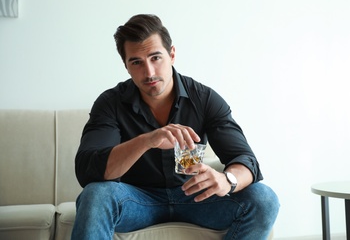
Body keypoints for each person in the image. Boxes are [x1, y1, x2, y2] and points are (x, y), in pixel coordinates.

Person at [71, 14, 279, 240]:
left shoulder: (205, 98)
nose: (149, 72)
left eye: (155, 57)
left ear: (171, 54)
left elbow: (246, 159)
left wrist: (226, 180)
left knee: (264, 198)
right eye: (137, 62)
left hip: (196, 198)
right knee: (95, 195)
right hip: (136, 200)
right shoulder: (110, 103)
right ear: (126, 66)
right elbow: (87, 169)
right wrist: (147, 140)